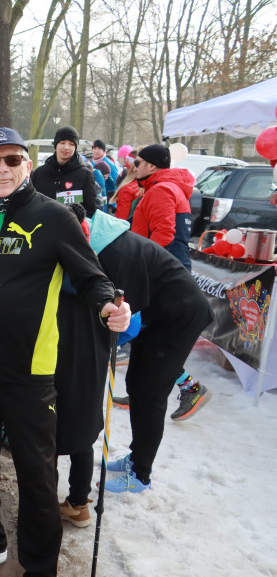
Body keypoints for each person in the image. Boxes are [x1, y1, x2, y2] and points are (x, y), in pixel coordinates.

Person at [0, 126, 130, 577]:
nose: (2, 169)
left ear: (27, 164)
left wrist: (111, 305)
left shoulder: (52, 216)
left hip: (28, 371)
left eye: (12, 160)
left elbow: (91, 276)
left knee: (36, 475)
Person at [54, 208, 213, 516]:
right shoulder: (101, 243)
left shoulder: (118, 252)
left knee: (150, 395)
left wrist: (95, 348)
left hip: (178, 317)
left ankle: (141, 473)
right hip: (158, 315)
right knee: (137, 386)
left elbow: (124, 312)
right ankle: (136, 454)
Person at [115, 144, 210, 420]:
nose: (135, 165)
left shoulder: (161, 190)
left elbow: (164, 235)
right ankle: (139, 392)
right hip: (165, 273)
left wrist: (139, 261)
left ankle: (192, 388)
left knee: (154, 338)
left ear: (153, 166)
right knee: (146, 336)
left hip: (162, 276)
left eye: (139, 161)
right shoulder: (161, 187)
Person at [30, 126, 99, 220]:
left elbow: (91, 211)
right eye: (62, 143)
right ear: (56, 145)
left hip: (73, 231)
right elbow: (31, 205)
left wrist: (79, 216)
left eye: (71, 144)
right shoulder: (39, 174)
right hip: (43, 229)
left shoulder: (85, 175)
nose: (66, 147)